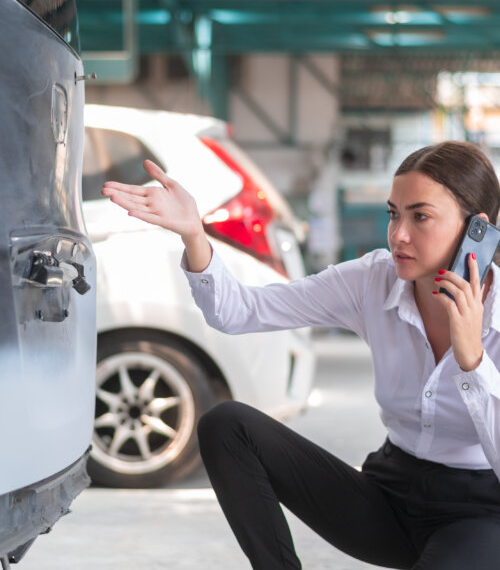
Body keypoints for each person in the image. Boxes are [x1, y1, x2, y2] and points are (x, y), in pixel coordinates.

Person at [102, 141, 500, 570]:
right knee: (227, 425)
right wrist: (193, 234)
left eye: (420, 216)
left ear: (476, 230)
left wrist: (472, 360)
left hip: (476, 515)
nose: (398, 234)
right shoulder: (371, 280)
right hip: (387, 497)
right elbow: (239, 312)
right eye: (393, 213)